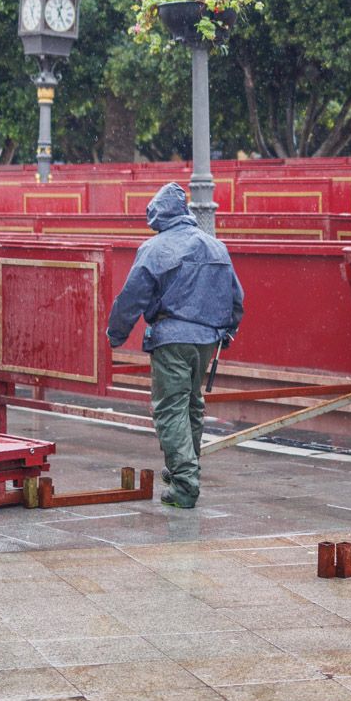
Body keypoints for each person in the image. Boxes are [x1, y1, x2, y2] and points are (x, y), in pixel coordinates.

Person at [106, 183, 244, 509]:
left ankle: (184, 485)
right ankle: (185, 469)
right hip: (208, 339)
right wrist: (228, 329)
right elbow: (236, 297)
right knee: (193, 405)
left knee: (171, 409)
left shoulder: (155, 249)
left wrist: (116, 334)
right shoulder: (216, 248)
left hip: (171, 338)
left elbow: (131, 298)